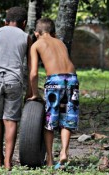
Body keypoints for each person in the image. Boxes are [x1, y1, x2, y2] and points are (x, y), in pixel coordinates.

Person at [0, 6, 31, 170]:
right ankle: (8, 162)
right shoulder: (26, 37)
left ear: (5, 21)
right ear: (24, 23)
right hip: (14, 80)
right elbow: (31, 67)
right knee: (11, 121)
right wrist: (30, 90)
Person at [27, 18, 79, 169]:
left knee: (50, 121)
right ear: (53, 33)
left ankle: (49, 159)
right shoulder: (60, 42)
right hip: (72, 79)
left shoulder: (36, 44)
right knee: (67, 118)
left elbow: (34, 73)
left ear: (36, 33)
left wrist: (35, 93)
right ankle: (64, 152)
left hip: (55, 81)